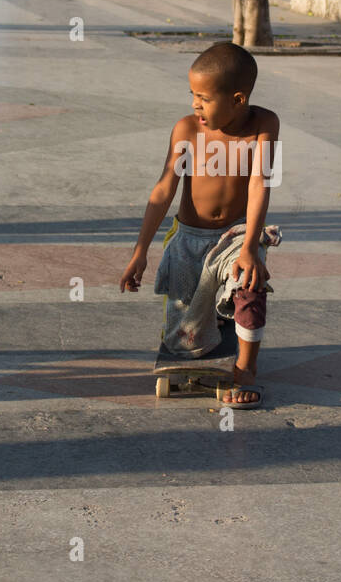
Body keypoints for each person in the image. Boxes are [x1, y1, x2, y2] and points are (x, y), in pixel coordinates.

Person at [120, 42, 282, 409]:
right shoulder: (187, 130)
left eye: (204, 97)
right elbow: (164, 190)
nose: (195, 104)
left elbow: (260, 183)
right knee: (188, 341)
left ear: (238, 100)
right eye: (193, 95)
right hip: (189, 239)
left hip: (238, 234)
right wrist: (140, 252)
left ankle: (246, 369)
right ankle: (215, 321)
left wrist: (249, 248)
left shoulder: (264, 124)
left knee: (249, 283)